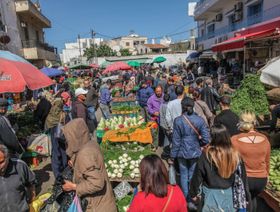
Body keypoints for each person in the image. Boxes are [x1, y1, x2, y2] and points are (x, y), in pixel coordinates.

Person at [190, 125, 250, 211]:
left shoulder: (206, 155)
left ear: (213, 138)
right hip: (229, 196)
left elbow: (197, 176)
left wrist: (193, 193)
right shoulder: (235, 155)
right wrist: (246, 196)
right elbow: (242, 177)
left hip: (210, 196)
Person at [62, 118, 117, 212]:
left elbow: (97, 183)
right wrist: (76, 163)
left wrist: (74, 186)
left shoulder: (84, 154)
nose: (67, 140)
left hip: (97, 206)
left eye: (68, 137)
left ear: (74, 136)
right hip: (103, 201)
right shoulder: (90, 143)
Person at [170, 96, 210, 210]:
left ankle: (186, 199)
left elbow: (176, 141)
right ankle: (192, 199)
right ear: (193, 106)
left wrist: (172, 156)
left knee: (183, 175)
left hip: (181, 152)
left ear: (182, 107)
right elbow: (206, 139)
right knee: (192, 175)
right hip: (195, 152)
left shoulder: (178, 120)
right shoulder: (200, 120)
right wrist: (199, 143)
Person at [231, 111, 271, 212]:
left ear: (240, 122)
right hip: (261, 180)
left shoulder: (234, 140)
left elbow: (231, 162)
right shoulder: (265, 138)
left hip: (244, 180)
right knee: (253, 199)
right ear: (255, 123)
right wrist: (267, 175)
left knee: (244, 202)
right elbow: (267, 162)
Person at [0, 144, 36, 212]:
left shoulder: (20, 166)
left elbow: (31, 183)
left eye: (1, 162)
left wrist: (31, 203)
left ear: (8, 157)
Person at [45, 99, 68, 182]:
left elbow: (46, 127)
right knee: (63, 151)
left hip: (53, 136)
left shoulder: (50, 114)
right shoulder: (63, 114)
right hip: (61, 136)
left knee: (55, 153)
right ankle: (65, 170)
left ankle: (57, 175)